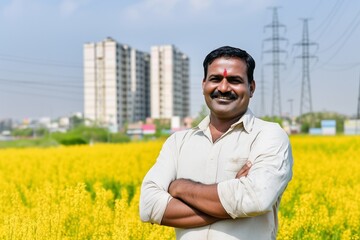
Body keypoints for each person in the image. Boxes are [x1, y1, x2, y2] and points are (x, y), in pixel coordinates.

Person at [140, 46, 293, 239]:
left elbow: (256, 198)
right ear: (204, 84)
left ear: (251, 88)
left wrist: (180, 187)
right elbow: (148, 206)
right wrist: (231, 198)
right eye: (215, 79)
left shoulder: (268, 135)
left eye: (234, 80)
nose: (223, 88)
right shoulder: (178, 143)